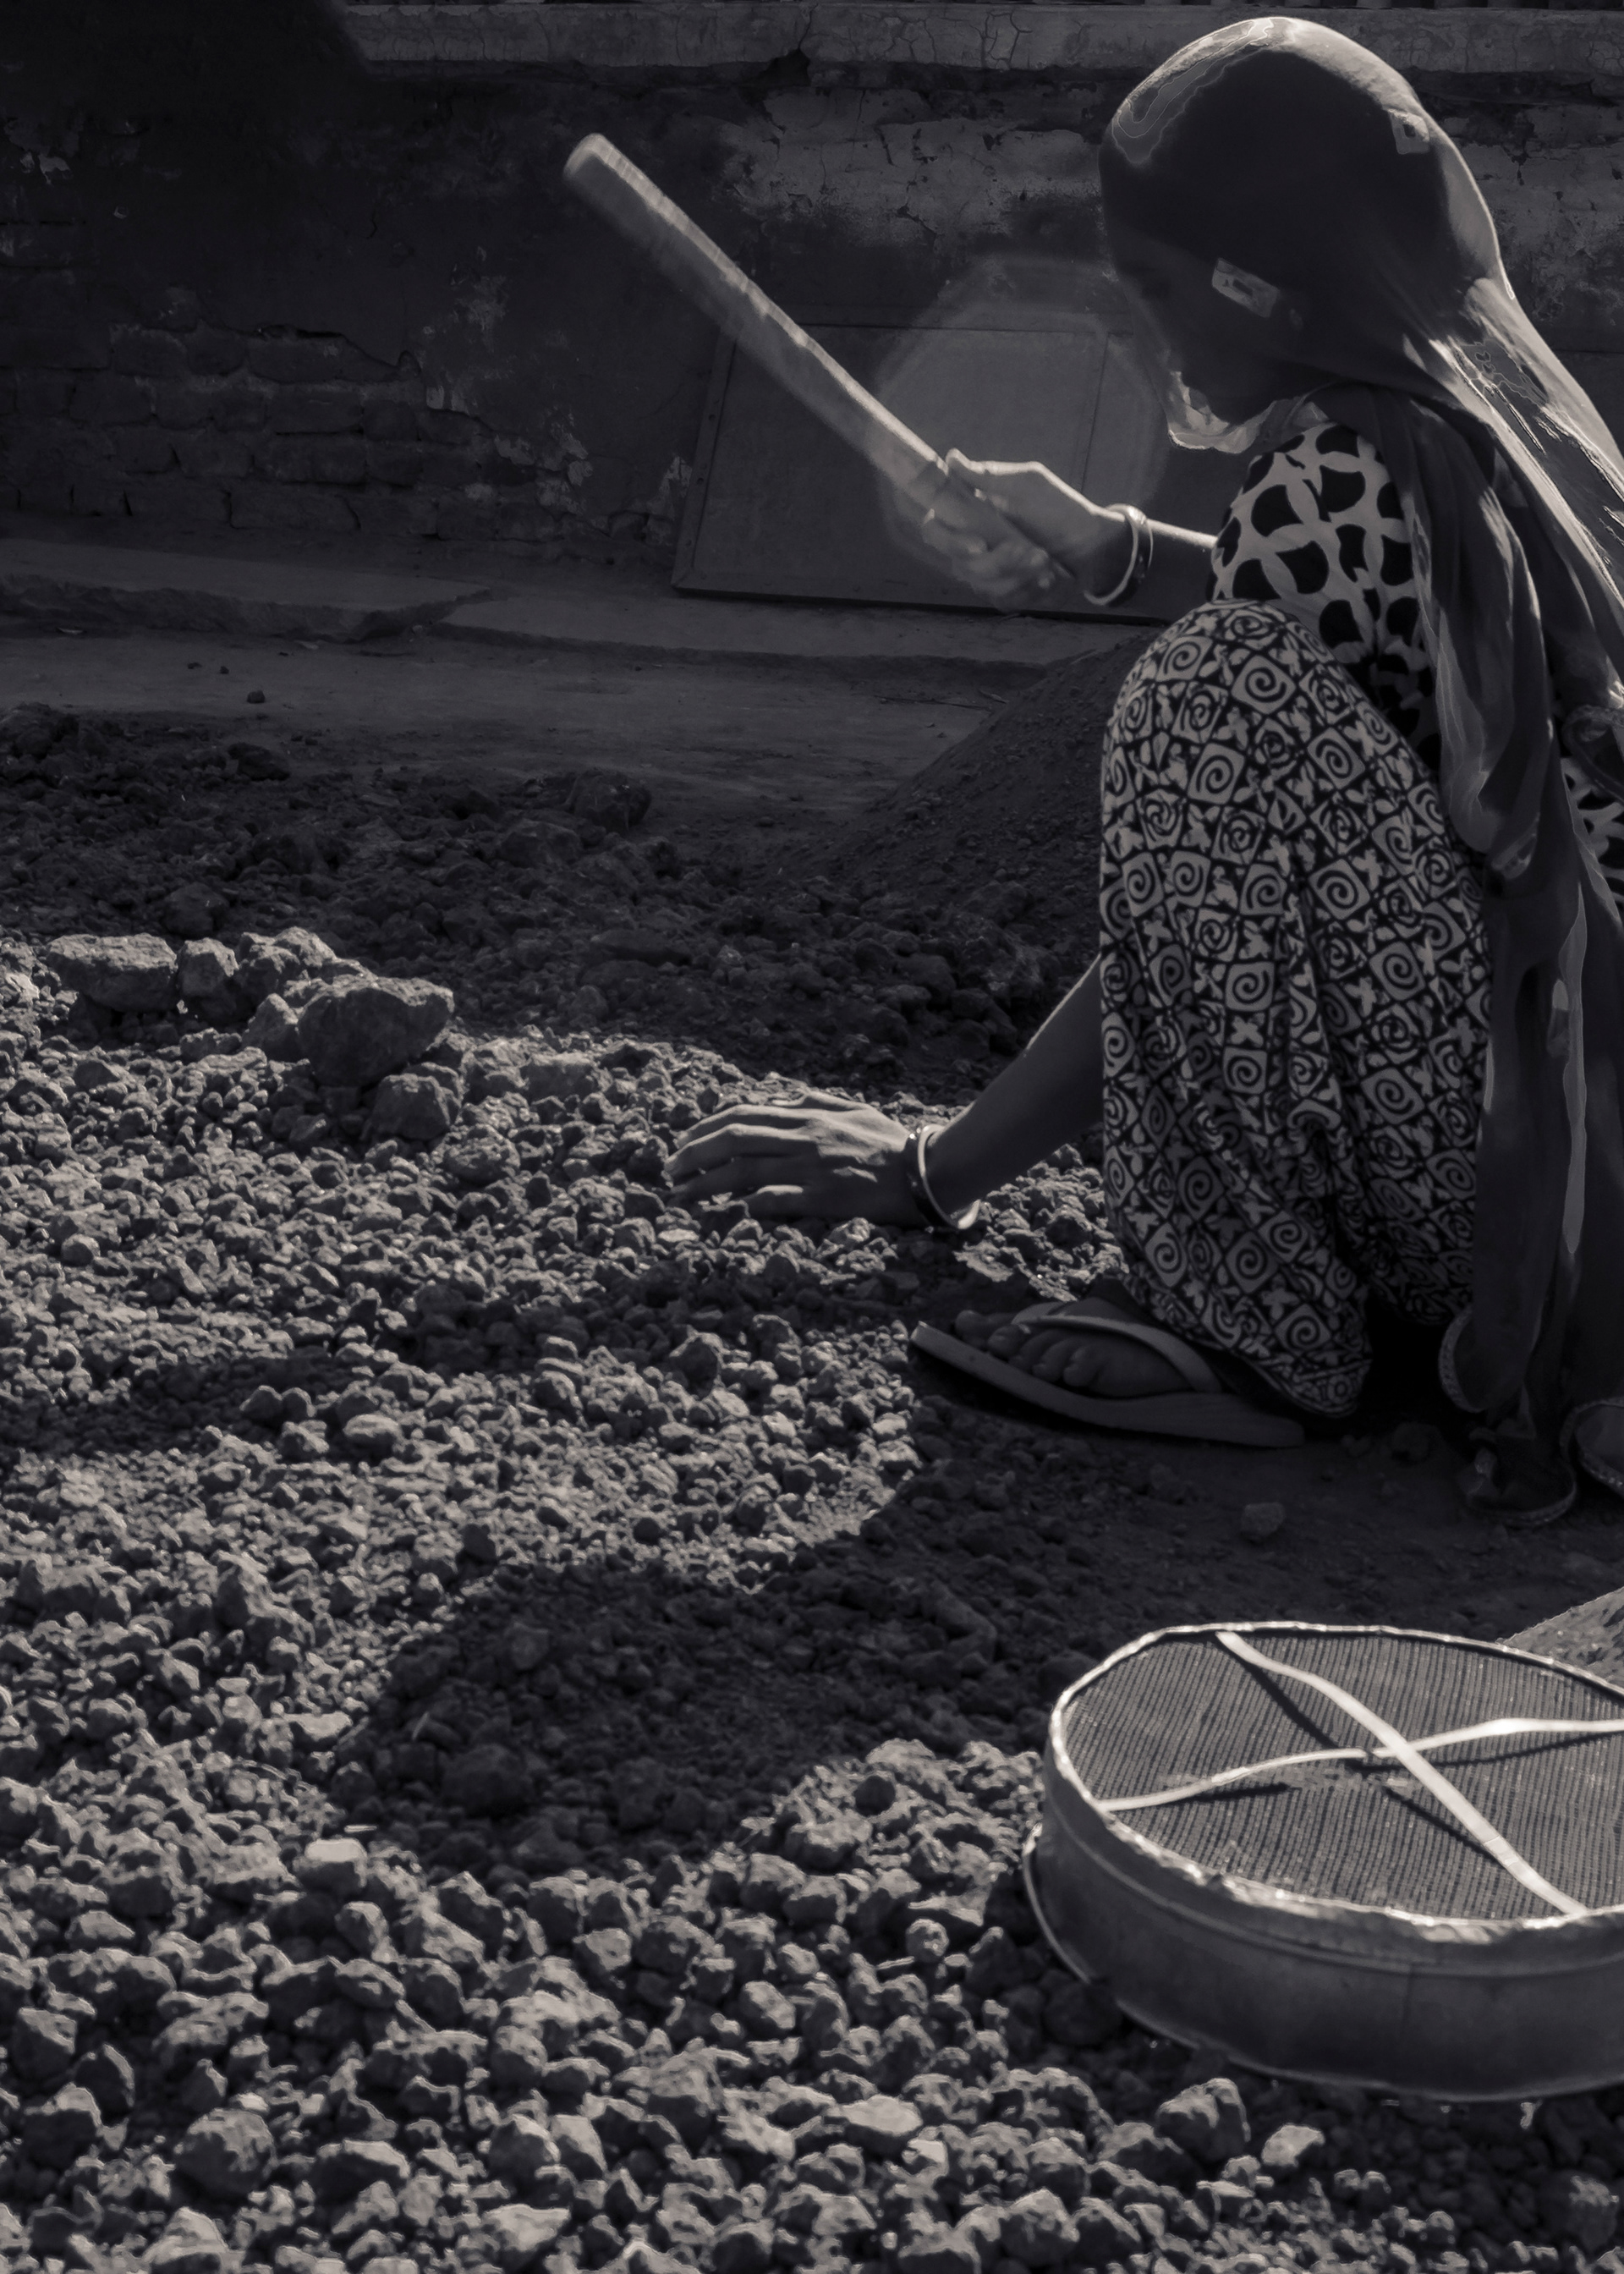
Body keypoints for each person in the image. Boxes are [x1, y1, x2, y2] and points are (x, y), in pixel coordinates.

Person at [666, 17, 1624, 1526]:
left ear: (1260, 290)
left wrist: (934, 1168)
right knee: (1236, 692)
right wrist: (1112, 545)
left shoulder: (1326, 478)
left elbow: (1198, 926)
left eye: (1162, 288)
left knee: (1203, 705)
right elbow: (1373, 616)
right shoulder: (1489, 426)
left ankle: (1251, 1331)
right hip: (1596, 1160)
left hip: (1522, 1208)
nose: (1153, 325)